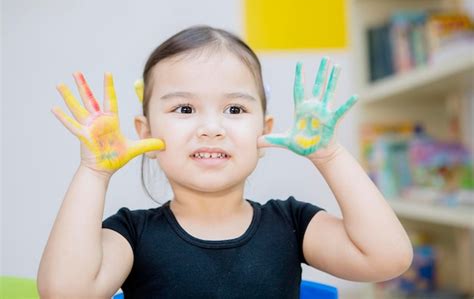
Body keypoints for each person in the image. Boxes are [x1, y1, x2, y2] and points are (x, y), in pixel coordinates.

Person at [37, 25, 413, 298]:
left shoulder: (292, 224)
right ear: (146, 132)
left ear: (263, 132)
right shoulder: (131, 234)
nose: (211, 128)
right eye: (185, 108)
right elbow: (66, 292)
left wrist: (329, 155)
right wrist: (94, 171)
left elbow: (388, 259)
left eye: (234, 108)